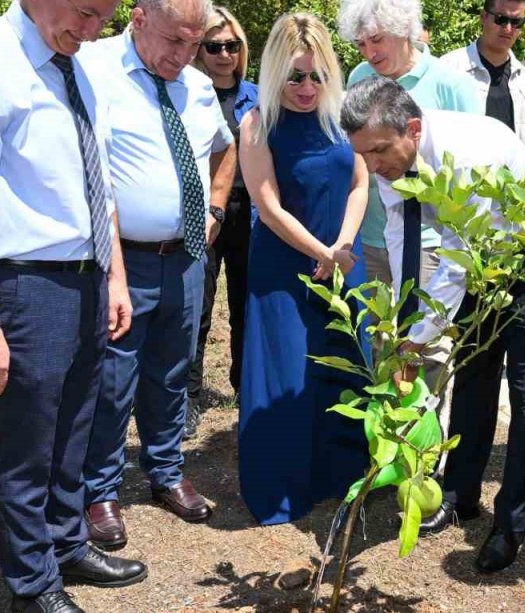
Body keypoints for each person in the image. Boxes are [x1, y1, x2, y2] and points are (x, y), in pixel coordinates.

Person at [0, 0, 148, 613]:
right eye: (85, 13)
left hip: (84, 277)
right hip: (24, 284)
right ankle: (33, 582)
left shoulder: (73, 63)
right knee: (28, 445)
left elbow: (96, 178)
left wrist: (112, 274)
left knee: (75, 429)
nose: (92, 31)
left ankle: (65, 541)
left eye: (104, 18)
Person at [340, 77, 525, 573]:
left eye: (379, 151)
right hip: (484, 263)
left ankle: (510, 526)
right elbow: (406, 235)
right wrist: (402, 315)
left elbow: (460, 262)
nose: (374, 165)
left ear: (414, 128)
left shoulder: (468, 153)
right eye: (364, 155)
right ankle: (460, 494)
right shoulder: (390, 157)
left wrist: (417, 339)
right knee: (473, 379)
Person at [78, 0, 234, 552]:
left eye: (194, 44)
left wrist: (215, 208)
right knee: (113, 378)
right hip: (125, 258)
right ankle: (98, 492)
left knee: (173, 368)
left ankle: (166, 472)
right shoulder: (93, 68)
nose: (184, 56)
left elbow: (224, 147)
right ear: (138, 20)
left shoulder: (194, 86)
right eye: (174, 41)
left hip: (186, 255)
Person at [237, 12, 371, 526]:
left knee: (340, 372)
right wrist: (320, 250)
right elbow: (267, 206)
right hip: (284, 267)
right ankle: (282, 489)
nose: (307, 87)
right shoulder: (257, 123)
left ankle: (339, 477)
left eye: (317, 75)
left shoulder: (341, 117)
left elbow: (361, 183)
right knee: (288, 374)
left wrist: (341, 244)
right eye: (295, 76)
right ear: (275, 73)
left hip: (342, 262)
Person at [339, 0, 481, 291]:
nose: (369, 53)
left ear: (404, 28)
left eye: (377, 39)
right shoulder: (359, 78)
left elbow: (476, 169)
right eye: (360, 44)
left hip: (430, 241)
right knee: (372, 333)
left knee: (419, 332)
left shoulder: (451, 85)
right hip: (370, 236)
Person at [186, 5, 259, 439]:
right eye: (214, 46)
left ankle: (245, 386)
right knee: (198, 310)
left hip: (250, 216)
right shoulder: (188, 92)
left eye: (232, 46)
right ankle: (189, 397)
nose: (224, 54)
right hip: (204, 215)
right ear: (201, 49)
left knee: (246, 308)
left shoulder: (259, 96)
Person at [440, 0, 525, 159]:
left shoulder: (523, 78)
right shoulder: (448, 69)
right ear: (483, 16)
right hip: (463, 181)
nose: (508, 28)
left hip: (512, 181)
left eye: (516, 22)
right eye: (501, 19)